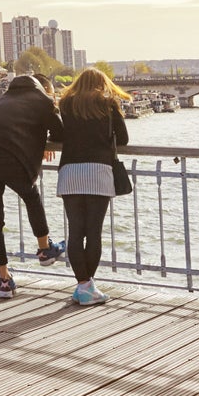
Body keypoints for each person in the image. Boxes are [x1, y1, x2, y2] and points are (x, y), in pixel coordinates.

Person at [0, 74, 65, 299]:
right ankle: (45, 249)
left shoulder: (4, 99)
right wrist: (45, 140)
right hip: (8, 155)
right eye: (50, 92)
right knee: (31, 197)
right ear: (44, 88)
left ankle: (4, 281)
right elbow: (61, 133)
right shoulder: (43, 101)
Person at [55, 68, 130, 306]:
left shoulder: (66, 104)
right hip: (98, 170)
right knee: (94, 232)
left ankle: (83, 286)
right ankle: (87, 288)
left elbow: (59, 134)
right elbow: (124, 138)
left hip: (70, 171)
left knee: (76, 232)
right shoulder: (109, 104)